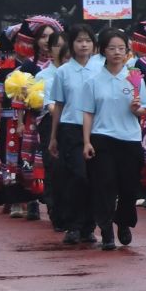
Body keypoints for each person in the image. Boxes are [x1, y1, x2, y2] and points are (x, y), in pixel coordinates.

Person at [80, 29, 145, 252]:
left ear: (127, 51)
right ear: (102, 51)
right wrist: (87, 141)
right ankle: (106, 229)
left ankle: (123, 222)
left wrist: (137, 109)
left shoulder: (135, 78)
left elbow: (144, 109)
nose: (117, 52)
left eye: (121, 48)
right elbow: (88, 113)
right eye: (112, 48)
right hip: (103, 138)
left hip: (130, 138)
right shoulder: (93, 81)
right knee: (104, 185)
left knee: (128, 187)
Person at [48, 26, 99, 244]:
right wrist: (53, 136)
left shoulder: (101, 69)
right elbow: (59, 105)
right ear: (71, 44)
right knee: (77, 176)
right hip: (71, 129)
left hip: (97, 129)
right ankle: (73, 225)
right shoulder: (63, 72)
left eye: (87, 40)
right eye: (79, 41)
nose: (84, 45)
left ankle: (89, 226)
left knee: (94, 178)